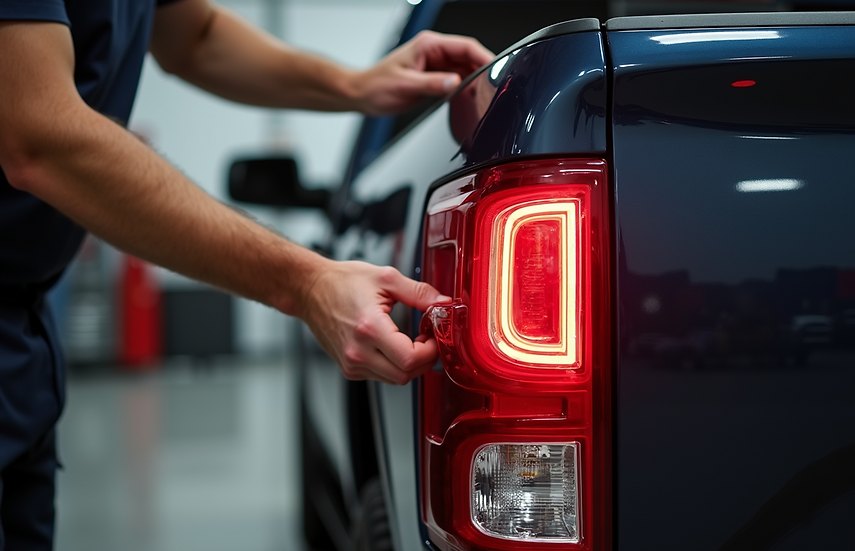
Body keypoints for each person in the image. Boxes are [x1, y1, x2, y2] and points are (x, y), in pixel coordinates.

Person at [0, 0, 494, 548]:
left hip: (26, 339)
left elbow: (196, 36)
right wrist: (306, 282)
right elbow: (37, 132)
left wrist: (357, 85)